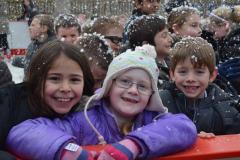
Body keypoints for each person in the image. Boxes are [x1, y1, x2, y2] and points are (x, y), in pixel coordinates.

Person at [6, 44, 197, 160]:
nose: (132, 90)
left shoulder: (151, 119)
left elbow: (183, 126)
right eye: (124, 81)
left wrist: (134, 145)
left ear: (151, 95)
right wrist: (68, 151)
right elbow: (23, 132)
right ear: (108, 86)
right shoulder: (83, 119)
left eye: (142, 86)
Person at [0, 40, 94, 151]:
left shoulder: (90, 113)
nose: (65, 88)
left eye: (74, 80)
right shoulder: (8, 103)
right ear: (37, 79)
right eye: (54, 78)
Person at [159, 37, 240, 136]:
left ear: (212, 75)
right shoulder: (160, 103)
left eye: (199, 72)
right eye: (183, 72)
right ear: (172, 74)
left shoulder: (225, 109)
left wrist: (216, 142)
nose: (190, 79)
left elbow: (233, 142)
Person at [127, 15, 172, 88]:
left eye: (169, 34)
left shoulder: (171, 63)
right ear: (146, 44)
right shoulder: (149, 73)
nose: (170, 39)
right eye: (164, 36)